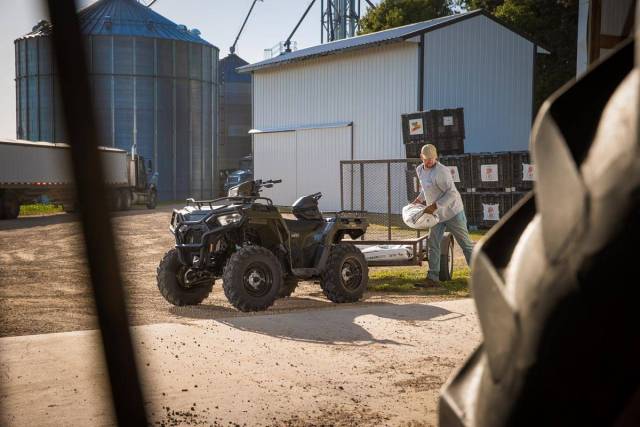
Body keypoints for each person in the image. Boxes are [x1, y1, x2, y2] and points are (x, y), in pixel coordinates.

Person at [413, 144, 474, 287]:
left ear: (436, 157)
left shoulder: (442, 171)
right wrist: (419, 199)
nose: (429, 162)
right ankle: (433, 278)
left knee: (466, 245)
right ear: (421, 157)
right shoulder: (419, 170)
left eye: (432, 159)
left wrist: (434, 206)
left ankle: (479, 275)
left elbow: (452, 193)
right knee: (433, 244)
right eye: (426, 159)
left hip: (453, 212)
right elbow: (426, 188)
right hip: (436, 216)